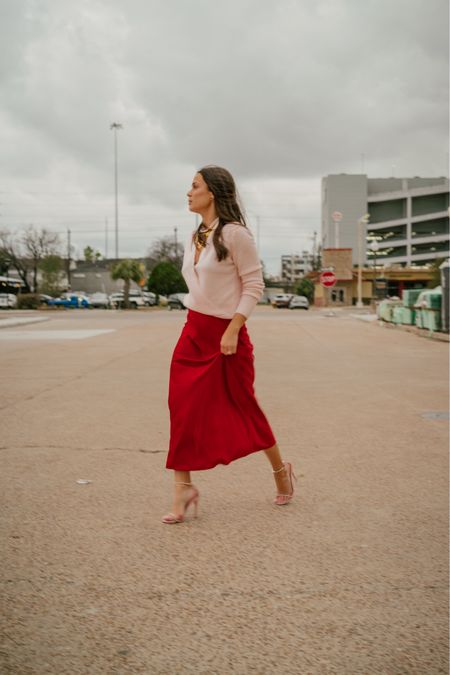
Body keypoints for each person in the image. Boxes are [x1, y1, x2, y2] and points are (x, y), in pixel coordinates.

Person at [162, 165, 297, 524]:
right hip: (193, 332)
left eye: (194, 186)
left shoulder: (236, 235)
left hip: (228, 336)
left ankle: (281, 470)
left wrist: (234, 328)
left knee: (243, 406)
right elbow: (199, 290)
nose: (188, 192)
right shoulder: (195, 238)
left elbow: (254, 285)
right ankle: (182, 489)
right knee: (181, 406)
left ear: (214, 192)